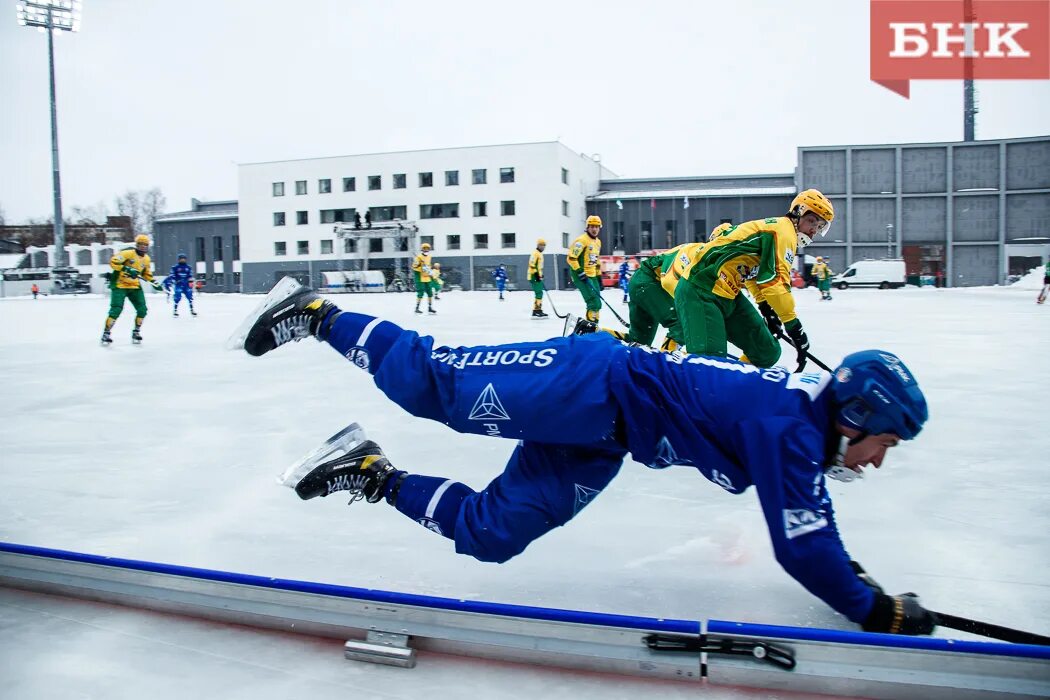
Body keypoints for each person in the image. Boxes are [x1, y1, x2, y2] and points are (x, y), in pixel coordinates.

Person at [232, 278, 937, 637]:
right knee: (435, 385)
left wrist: (861, 583)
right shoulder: (791, 431)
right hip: (589, 381)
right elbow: (805, 547)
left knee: (493, 534)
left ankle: (371, 471)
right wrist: (877, 613)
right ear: (857, 418)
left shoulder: (804, 433)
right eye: (886, 443)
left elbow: (811, 529)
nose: (878, 460)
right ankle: (319, 313)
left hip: (606, 438)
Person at [675, 189, 835, 370]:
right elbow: (775, 283)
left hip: (727, 294)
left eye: (820, 226)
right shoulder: (783, 232)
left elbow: (753, 272)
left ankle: (736, 383)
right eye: (811, 221)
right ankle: (711, 389)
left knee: (765, 351)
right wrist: (794, 327)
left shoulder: (778, 230)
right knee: (709, 365)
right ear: (797, 212)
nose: (814, 230)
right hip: (701, 289)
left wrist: (766, 308)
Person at [101, 234, 163, 345]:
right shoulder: (127, 254)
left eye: (146, 245)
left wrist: (154, 282)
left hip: (134, 286)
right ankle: (106, 333)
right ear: (137, 245)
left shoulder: (147, 259)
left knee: (142, 309)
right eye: (141, 244)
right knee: (116, 309)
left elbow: (146, 274)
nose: (143, 247)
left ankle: (136, 331)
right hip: (120, 285)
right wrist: (126, 268)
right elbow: (113, 262)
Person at [567, 215, 603, 323]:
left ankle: (595, 323)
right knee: (592, 301)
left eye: (597, 226)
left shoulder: (598, 242)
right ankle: (590, 327)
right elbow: (571, 258)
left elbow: (596, 261)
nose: (594, 229)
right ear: (587, 227)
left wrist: (599, 276)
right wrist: (579, 272)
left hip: (592, 275)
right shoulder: (581, 240)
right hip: (580, 275)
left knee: (598, 302)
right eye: (592, 226)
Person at [163, 252, 197, 317]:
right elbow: (172, 275)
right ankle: (175, 310)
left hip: (186, 285)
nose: (182, 260)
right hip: (178, 285)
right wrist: (174, 280)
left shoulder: (188, 267)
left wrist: (190, 282)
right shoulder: (175, 267)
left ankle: (192, 310)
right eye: (181, 259)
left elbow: (190, 276)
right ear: (179, 259)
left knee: (190, 297)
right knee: (177, 297)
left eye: (184, 259)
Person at [411, 243, 436, 314]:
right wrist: (421, 268)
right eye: (424, 248)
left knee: (430, 293)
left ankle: (430, 307)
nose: (426, 250)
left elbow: (428, 266)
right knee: (420, 293)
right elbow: (414, 267)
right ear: (422, 249)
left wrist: (429, 270)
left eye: (427, 248)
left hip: (427, 277)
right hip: (420, 277)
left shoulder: (429, 257)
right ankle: (417, 308)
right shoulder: (418, 257)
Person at [528, 239, 548, 318]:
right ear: (538, 245)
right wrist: (536, 274)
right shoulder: (535, 253)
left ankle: (538, 310)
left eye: (544, 246)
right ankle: (536, 311)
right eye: (542, 245)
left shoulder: (539, 254)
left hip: (537, 276)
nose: (543, 247)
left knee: (539, 293)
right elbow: (532, 264)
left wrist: (540, 275)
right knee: (539, 293)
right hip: (533, 276)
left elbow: (539, 267)